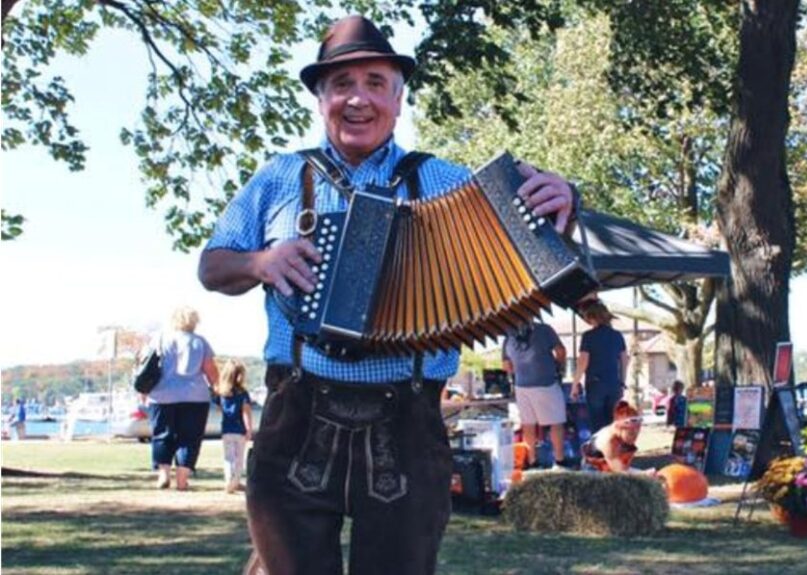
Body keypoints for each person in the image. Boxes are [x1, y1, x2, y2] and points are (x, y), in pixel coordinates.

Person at [197, 14, 580, 575]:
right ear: (320, 97)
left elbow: (537, 241)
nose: (358, 99)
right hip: (297, 412)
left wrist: (564, 197)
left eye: (375, 83)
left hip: (408, 416)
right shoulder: (280, 176)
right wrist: (260, 261)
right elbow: (212, 266)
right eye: (342, 85)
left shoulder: (446, 181)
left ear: (399, 100)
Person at [145, 306, 219, 491]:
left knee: (162, 434)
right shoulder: (200, 342)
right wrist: (217, 389)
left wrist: (144, 391)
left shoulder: (160, 338)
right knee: (190, 437)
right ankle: (182, 479)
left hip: (162, 395)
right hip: (195, 396)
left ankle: (163, 473)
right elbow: (210, 370)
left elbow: (147, 365)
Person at [502, 321, 570, 470]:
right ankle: (559, 461)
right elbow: (561, 351)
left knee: (528, 424)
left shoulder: (508, 334)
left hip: (522, 385)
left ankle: (532, 461)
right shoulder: (544, 329)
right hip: (546, 382)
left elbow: (506, 366)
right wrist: (559, 368)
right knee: (556, 423)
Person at [571, 300, 629, 433]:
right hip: (614, 383)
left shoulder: (589, 336)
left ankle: (600, 452)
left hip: (596, 383)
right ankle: (612, 451)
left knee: (597, 423)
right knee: (612, 422)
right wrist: (622, 381)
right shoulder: (617, 336)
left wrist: (575, 384)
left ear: (591, 317)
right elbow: (624, 360)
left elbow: (583, 361)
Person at [213, 359, 254, 494]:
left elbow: (219, 409)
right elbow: (246, 412)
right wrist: (248, 429)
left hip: (226, 430)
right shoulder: (243, 394)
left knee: (228, 457)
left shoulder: (221, 393)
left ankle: (230, 481)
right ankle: (234, 482)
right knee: (238, 459)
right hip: (239, 430)